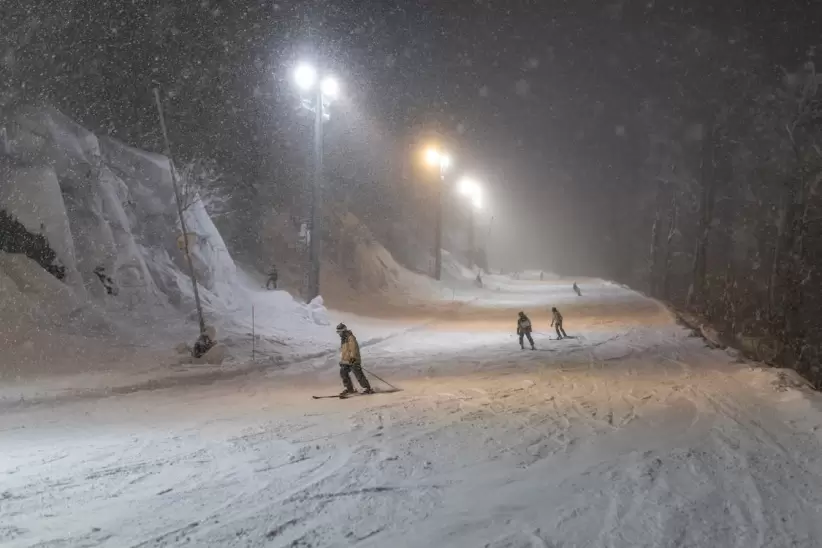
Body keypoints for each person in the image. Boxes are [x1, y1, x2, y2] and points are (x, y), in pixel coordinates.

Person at [336, 323, 373, 396]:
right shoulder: (343, 339)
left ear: (343, 331)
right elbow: (345, 352)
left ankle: (367, 388)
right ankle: (349, 389)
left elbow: (354, 349)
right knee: (343, 372)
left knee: (357, 373)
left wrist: (352, 359)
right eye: (338, 332)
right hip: (347, 361)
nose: (338, 333)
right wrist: (342, 361)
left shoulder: (351, 337)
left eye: (339, 332)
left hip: (354, 360)